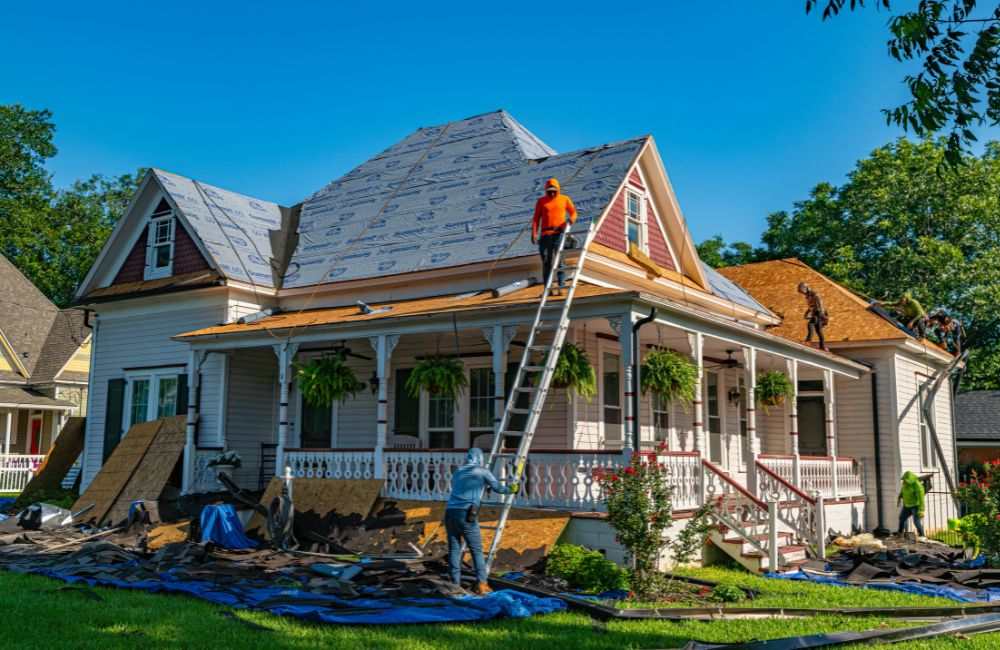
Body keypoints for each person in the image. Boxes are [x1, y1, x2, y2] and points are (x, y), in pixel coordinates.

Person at [444, 448, 519, 595]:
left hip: (450, 512)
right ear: (479, 458)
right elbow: (498, 488)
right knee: (476, 550)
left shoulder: (458, 472)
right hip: (466, 512)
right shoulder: (482, 471)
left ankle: (454, 584)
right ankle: (482, 584)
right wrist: (512, 489)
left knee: (454, 549)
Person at [532, 178, 577, 293]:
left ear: (558, 190)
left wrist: (570, 220)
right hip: (545, 236)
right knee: (546, 262)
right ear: (546, 190)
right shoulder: (541, 201)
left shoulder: (564, 199)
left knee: (559, 261)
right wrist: (534, 233)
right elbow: (536, 219)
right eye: (549, 191)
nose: (552, 193)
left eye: (554, 191)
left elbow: (573, 212)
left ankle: (561, 286)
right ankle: (548, 288)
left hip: (558, 234)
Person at [797, 282, 829, 351]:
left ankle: (808, 341)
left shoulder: (813, 294)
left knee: (810, 324)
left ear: (805, 288)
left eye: (802, 291)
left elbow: (819, 302)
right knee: (818, 330)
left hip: (819, 312)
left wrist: (820, 313)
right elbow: (811, 306)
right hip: (816, 312)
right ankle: (823, 346)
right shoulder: (808, 296)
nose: (802, 293)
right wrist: (807, 313)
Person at [897, 471, 926, 539]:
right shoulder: (905, 484)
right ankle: (900, 533)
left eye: (906, 480)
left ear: (911, 479)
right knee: (902, 518)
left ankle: (922, 536)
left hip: (915, 506)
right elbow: (903, 490)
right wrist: (900, 496)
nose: (904, 481)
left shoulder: (918, 486)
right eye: (904, 480)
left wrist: (921, 510)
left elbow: (921, 499)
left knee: (916, 522)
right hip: (907, 505)